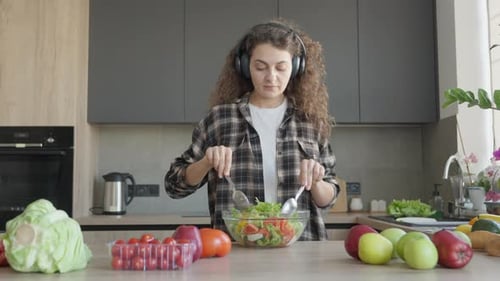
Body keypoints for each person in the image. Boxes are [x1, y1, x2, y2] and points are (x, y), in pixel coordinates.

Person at [165, 19, 339, 240]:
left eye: (281, 67)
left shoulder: (309, 121)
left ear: (296, 67)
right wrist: (206, 162)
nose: (271, 77)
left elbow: (328, 198)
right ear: (245, 66)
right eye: (260, 67)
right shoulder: (220, 119)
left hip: (303, 251)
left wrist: (316, 182)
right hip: (236, 251)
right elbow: (174, 186)